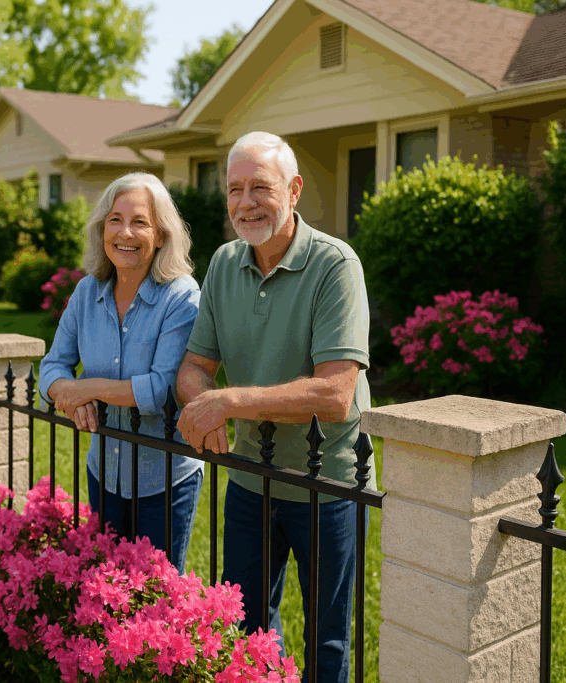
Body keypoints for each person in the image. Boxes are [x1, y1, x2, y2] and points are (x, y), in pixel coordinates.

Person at [175, 132, 374, 683]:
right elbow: (193, 368)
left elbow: (335, 395)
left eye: (259, 187)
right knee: (243, 630)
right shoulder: (223, 262)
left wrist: (231, 401)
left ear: (294, 190)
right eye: (234, 189)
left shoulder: (336, 265)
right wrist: (203, 405)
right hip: (249, 476)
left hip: (325, 483)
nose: (245, 203)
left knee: (328, 640)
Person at [38, 172, 203, 574]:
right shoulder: (86, 292)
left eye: (140, 222)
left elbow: (160, 390)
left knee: (155, 598)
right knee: (107, 591)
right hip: (104, 472)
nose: (125, 232)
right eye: (115, 219)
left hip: (163, 479)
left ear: (161, 235)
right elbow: (51, 366)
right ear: (102, 229)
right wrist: (66, 392)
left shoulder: (181, 297)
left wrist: (86, 389)